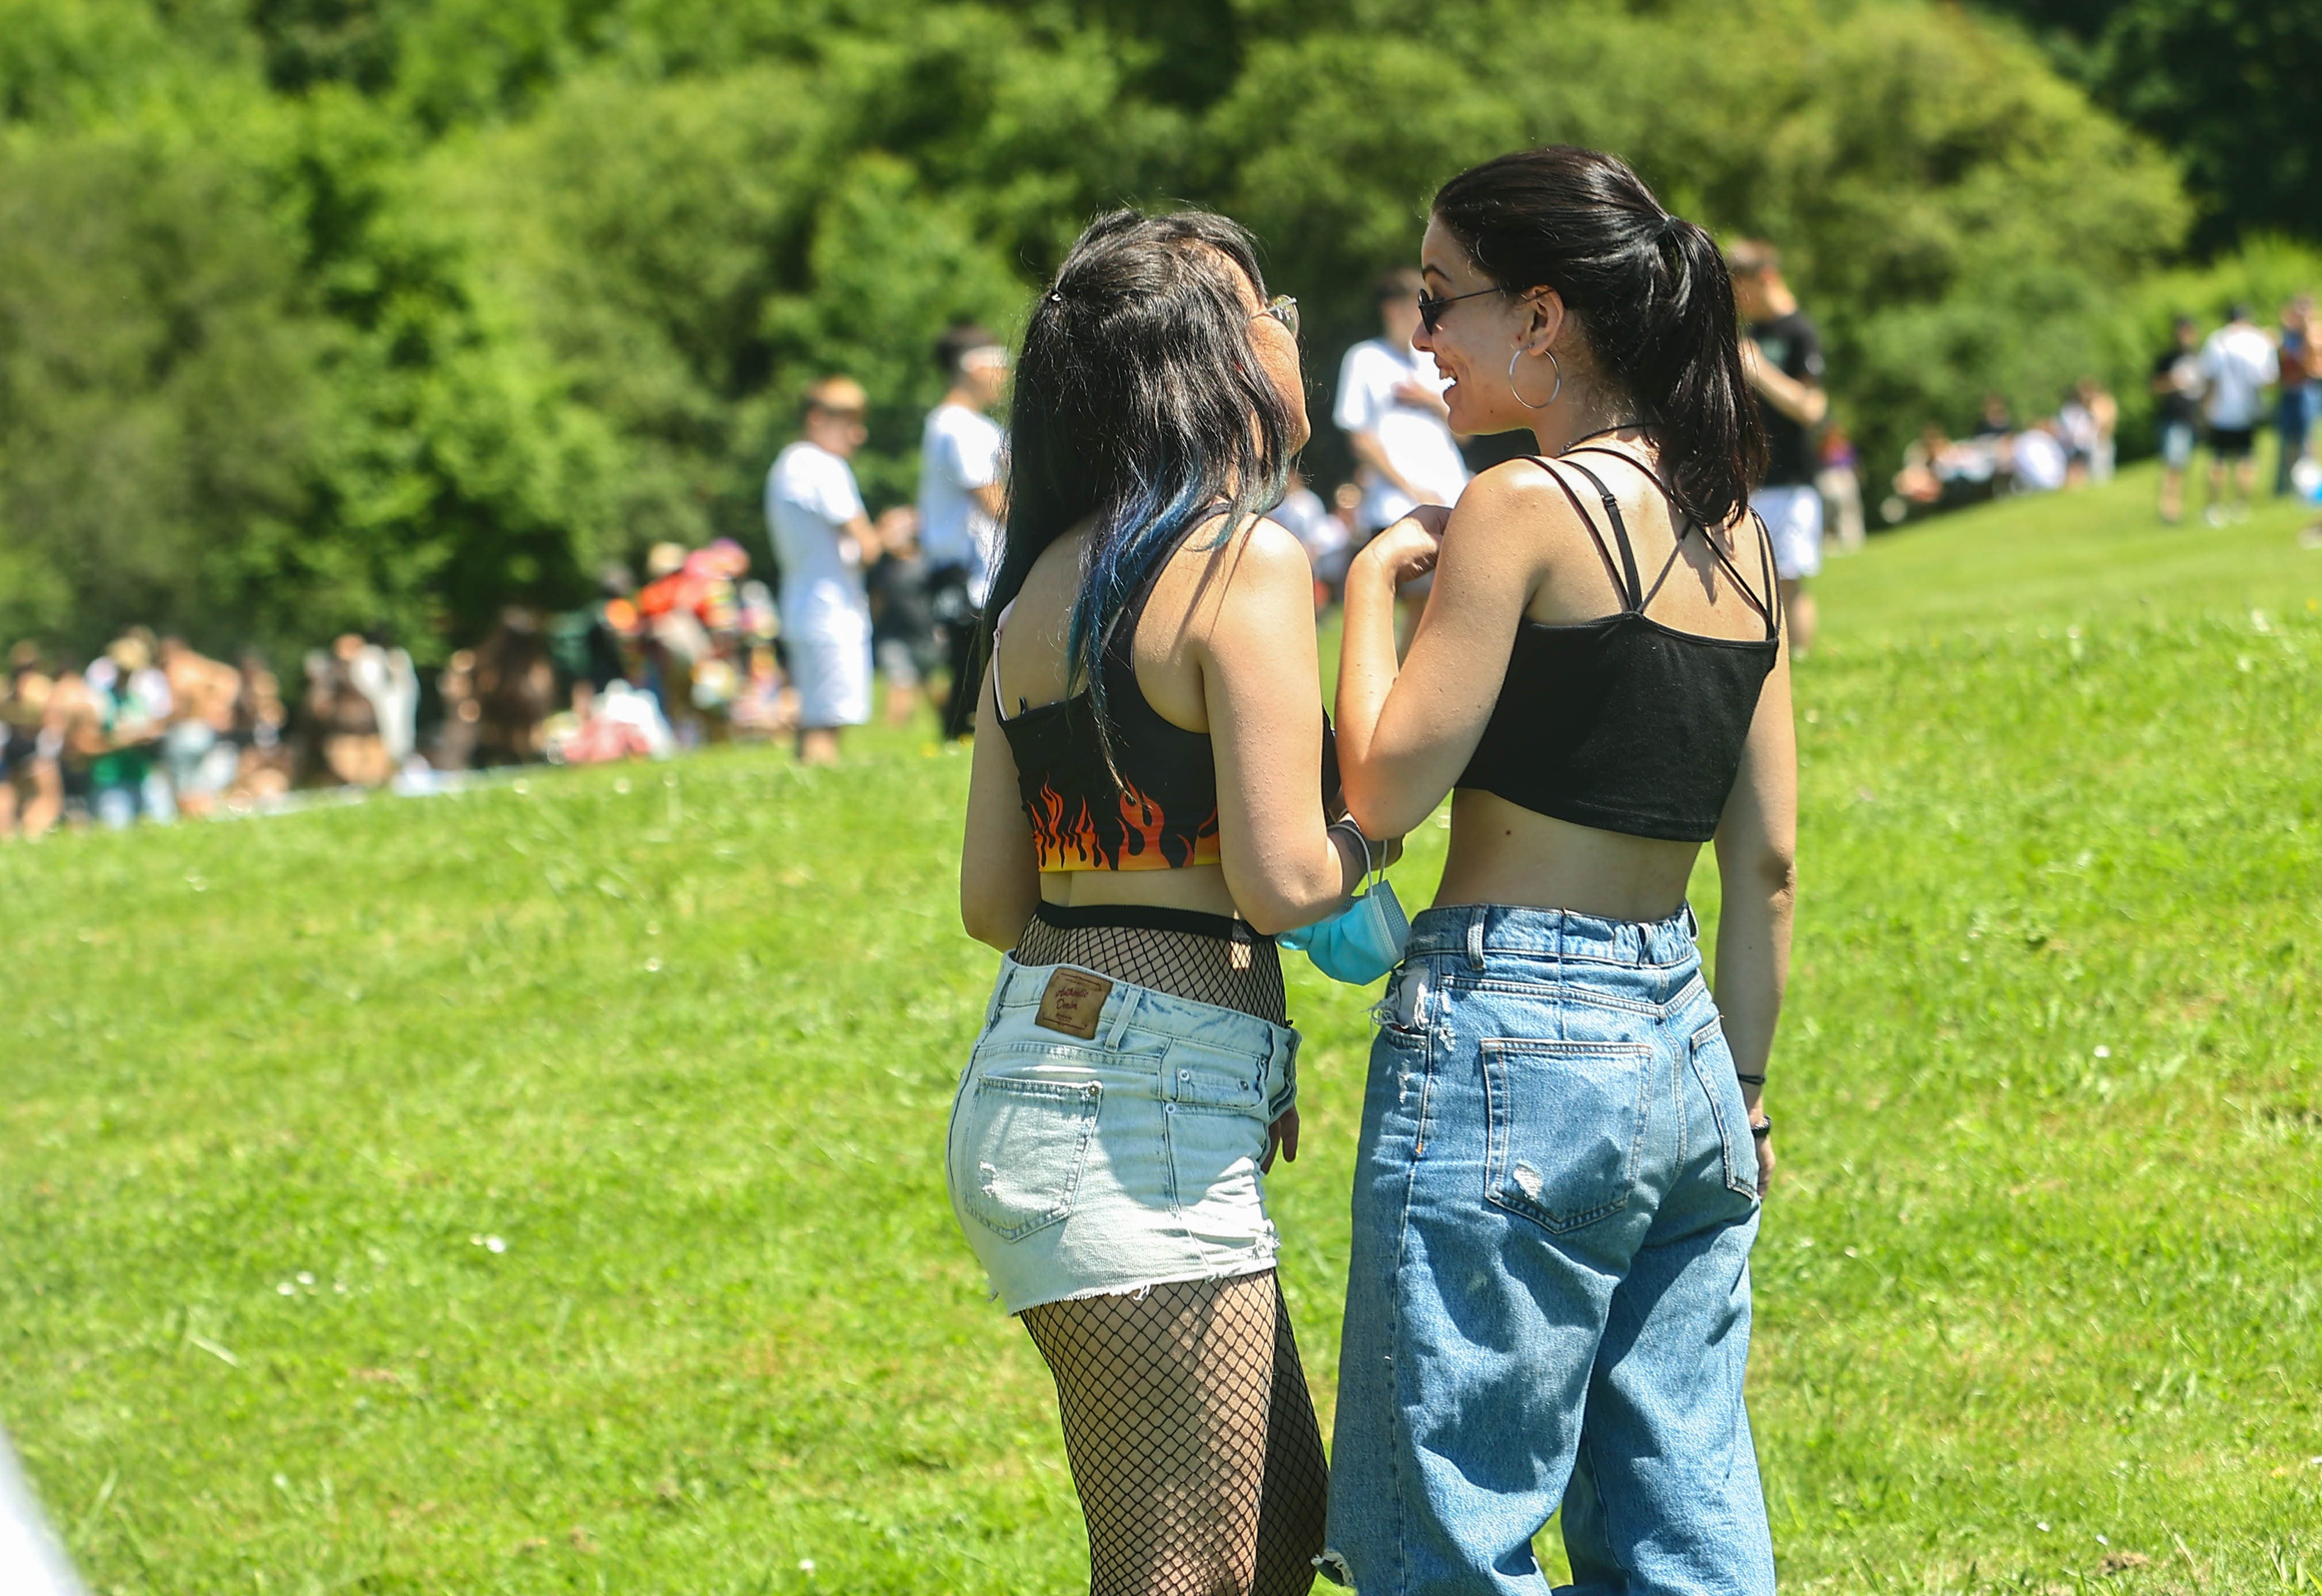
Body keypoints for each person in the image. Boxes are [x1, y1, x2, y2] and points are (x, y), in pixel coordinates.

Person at [1325, 145, 1793, 1596]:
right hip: (1695, 1058)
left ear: (1542, 319)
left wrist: (1358, 593)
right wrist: (1754, 1095)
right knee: (1685, 1522)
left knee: (1448, 1533)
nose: (1422, 337)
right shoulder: (1743, 533)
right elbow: (1766, 865)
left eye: (1439, 298)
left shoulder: (1523, 509)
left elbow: (1381, 787)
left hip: (1509, 1033)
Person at [952, 208, 1373, 1596]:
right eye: (1276, 313)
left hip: (1059, 1074)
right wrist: (1382, 824)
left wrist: (1229, 1046)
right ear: (1211, 356)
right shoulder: (1237, 559)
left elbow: (993, 897)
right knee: (1187, 1572)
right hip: (1136, 1110)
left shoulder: (1032, 596)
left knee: (1277, 1529)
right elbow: (1285, 875)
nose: (1292, 335)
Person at [767, 376, 903, 765]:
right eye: (848, 421)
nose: (858, 434)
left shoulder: (788, 463)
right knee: (826, 725)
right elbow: (866, 547)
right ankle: (814, 802)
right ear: (816, 418)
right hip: (831, 611)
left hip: (803, 604)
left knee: (813, 719)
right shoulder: (822, 465)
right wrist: (888, 535)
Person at [1335, 267, 1471, 636]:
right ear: (1392, 311)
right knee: (1405, 608)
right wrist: (1412, 489)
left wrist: (1431, 401)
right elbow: (1361, 439)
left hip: (1451, 496)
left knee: (1441, 615)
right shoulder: (1365, 359)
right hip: (1393, 504)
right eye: (1417, 310)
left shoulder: (1433, 361)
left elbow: (1465, 435)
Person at [1729, 239, 1828, 655]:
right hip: (1753, 479)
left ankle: (1801, 658)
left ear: (1765, 277)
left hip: (1792, 481)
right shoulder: (1752, 333)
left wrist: (1761, 372)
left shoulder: (1799, 331)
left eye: (1741, 290)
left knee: (1789, 578)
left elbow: (1812, 409)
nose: (1738, 302)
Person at [920, 325, 1010, 730]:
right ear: (973, 367)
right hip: (968, 574)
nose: (1006, 375)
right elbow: (993, 502)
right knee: (972, 677)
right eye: (1000, 364)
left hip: (971, 572)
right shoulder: (957, 426)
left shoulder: (961, 425)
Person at [2198, 302, 2278, 525]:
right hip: (2247, 410)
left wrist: (2205, 408)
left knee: (2218, 460)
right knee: (2246, 459)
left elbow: (2208, 379)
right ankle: (2241, 506)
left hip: (2221, 411)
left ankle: (2215, 508)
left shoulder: (2217, 341)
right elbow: (2269, 379)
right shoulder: (2259, 340)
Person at [2151, 316, 2204, 523]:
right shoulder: (2167, 359)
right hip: (2173, 418)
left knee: (2182, 465)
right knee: (2172, 465)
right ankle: (2169, 510)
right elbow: (2154, 386)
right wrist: (2174, 383)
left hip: (2191, 417)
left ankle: (2176, 507)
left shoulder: (2198, 357)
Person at [2278, 295, 2315, 497]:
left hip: (2305, 389)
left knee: (2305, 438)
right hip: (2289, 390)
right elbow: (2284, 357)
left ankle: (2306, 483)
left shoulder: (2312, 333)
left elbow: (2308, 358)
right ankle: (2287, 484)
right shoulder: (2287, 336)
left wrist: (2306, 327)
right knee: (2287, 440)